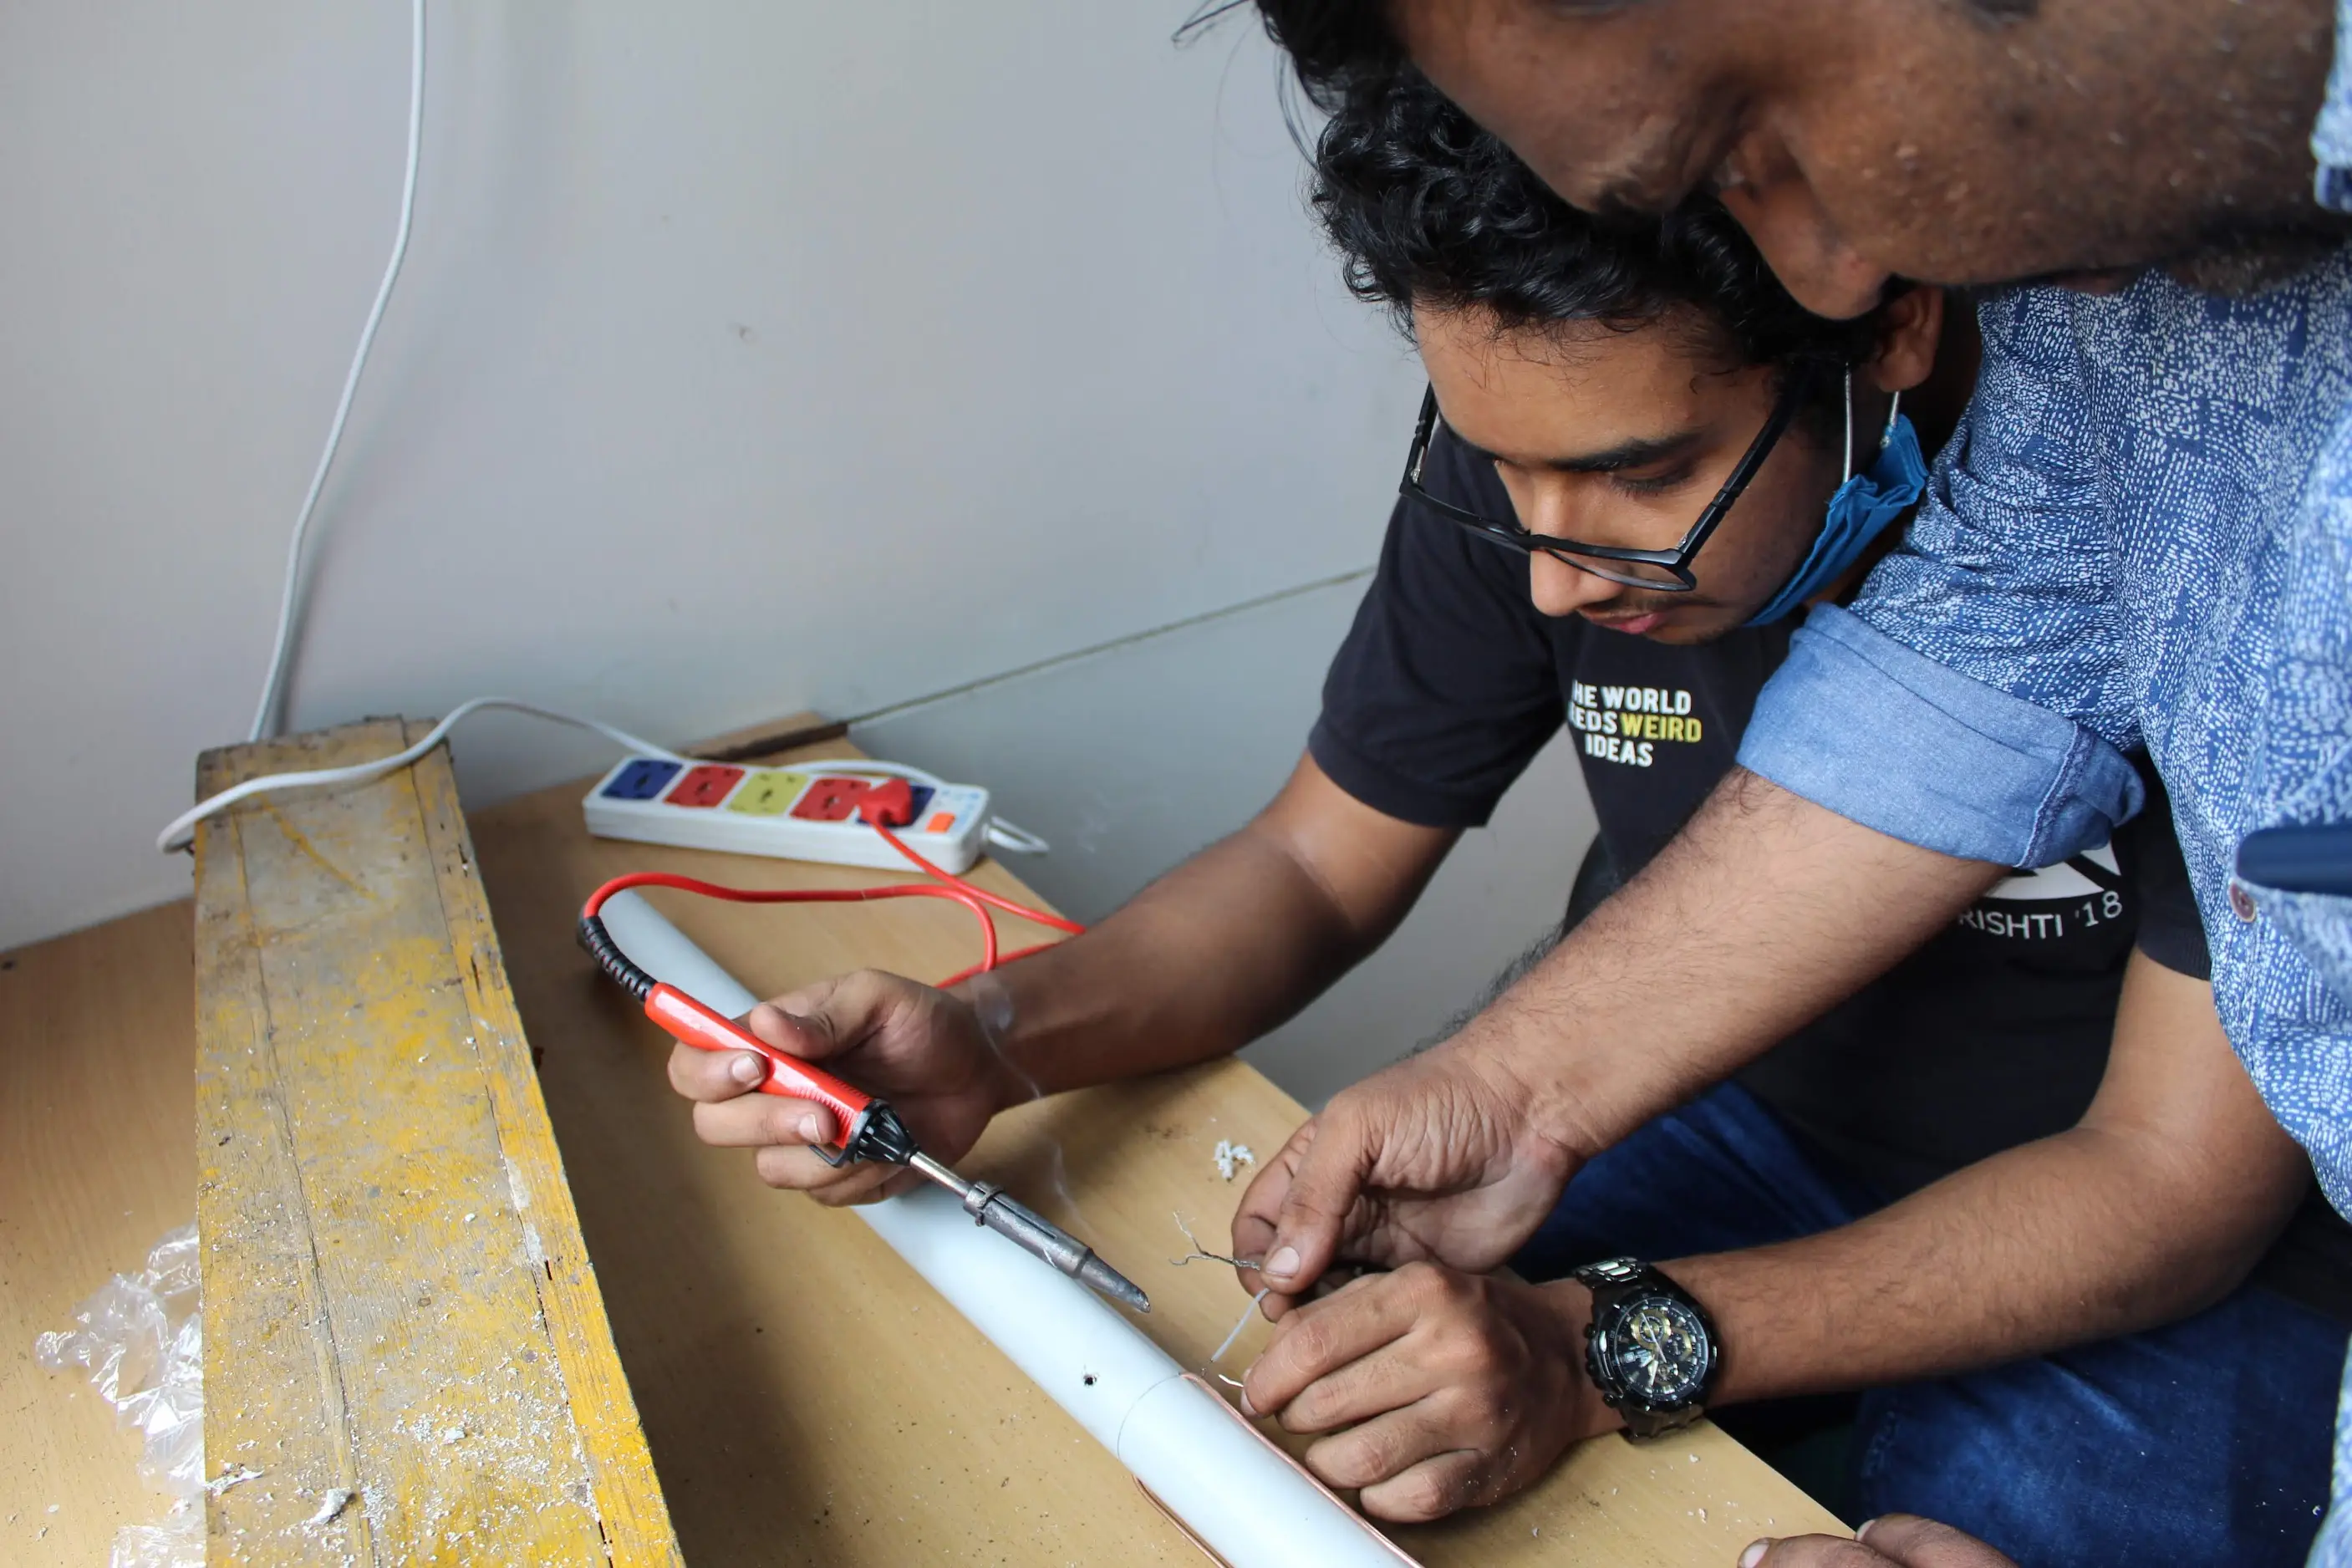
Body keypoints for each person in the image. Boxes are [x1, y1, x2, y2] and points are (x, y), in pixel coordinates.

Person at [665, 70, 2351, 1563]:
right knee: (1283, 1408)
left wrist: (1607, 1341)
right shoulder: (1566, 464)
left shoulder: (2233, 483)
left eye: (1640, 478)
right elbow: (1325, 854)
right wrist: (1008, 1034)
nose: (1552, 572)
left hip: (2142, 1231)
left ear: (1880, 310)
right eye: (1508, 477)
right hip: (1736, 1117)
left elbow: (2168, 1181)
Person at [1237, 5, 2352, 1561]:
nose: (1832, 274)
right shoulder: (2133, 328)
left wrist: (1603, 1344)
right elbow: (1966, 685)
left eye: (1748, 144)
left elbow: (2167, 1186)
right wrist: (1509, 1090)